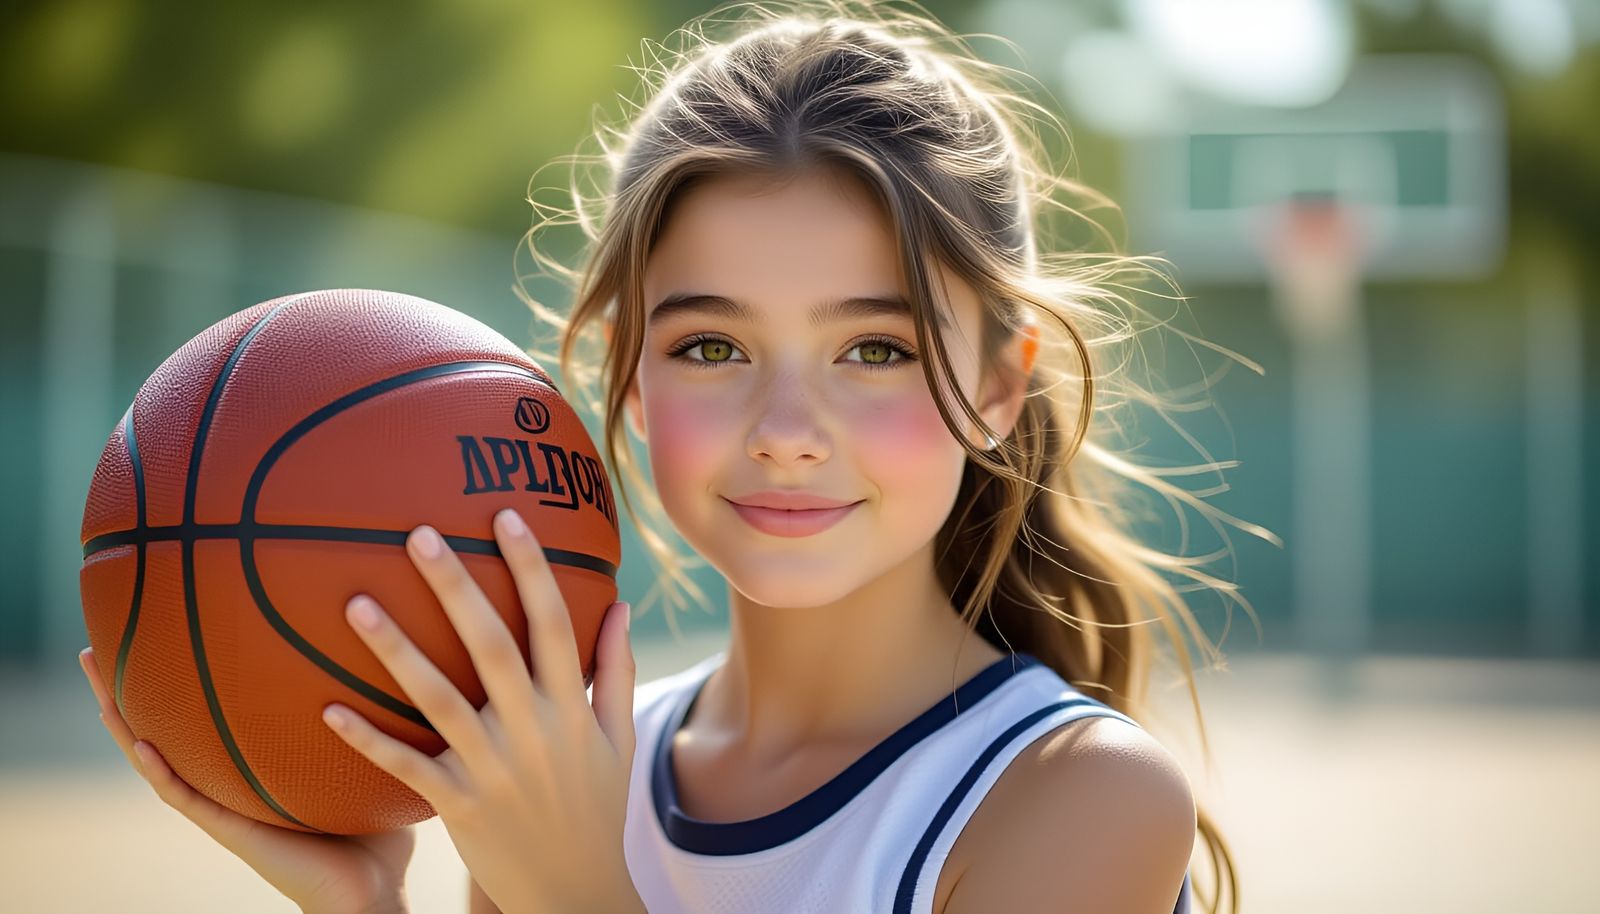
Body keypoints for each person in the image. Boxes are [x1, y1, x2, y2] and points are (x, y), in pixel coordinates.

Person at [82, 1, 1264, 912]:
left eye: (873, 347)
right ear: (626, 377)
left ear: (998, 385)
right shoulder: (563, 766)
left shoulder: (1075, 793)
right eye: (711, 343)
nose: (786, 424)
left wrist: (584, 893)